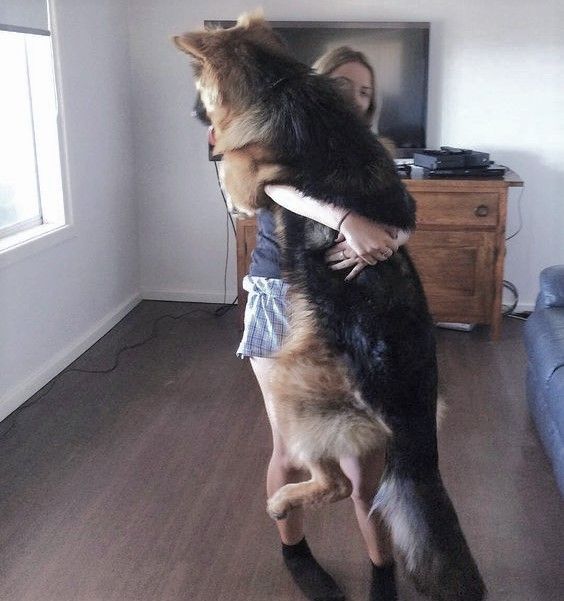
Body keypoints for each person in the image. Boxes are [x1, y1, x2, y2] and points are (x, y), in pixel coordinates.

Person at [235, 47, 411, 601]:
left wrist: (386, 243)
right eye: (341, 87)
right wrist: (347, 220)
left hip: (351, 311)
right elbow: (272, 189)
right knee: (291, 451)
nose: (354, 101)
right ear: (316, 89)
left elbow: (406, 215)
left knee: (366, 464)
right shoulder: (281, 140)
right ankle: (294, 551)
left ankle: (382, 572)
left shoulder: (373, 155)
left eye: (364, 93)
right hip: (281, 303)